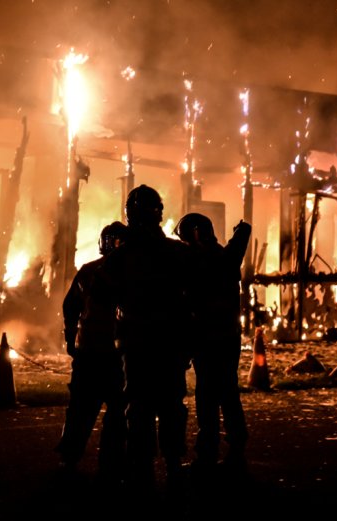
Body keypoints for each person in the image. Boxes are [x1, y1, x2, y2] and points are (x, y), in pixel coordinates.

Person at [91, 185, 193, 495]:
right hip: (170, 341)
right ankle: (174, 465)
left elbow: (103, 289)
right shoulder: (177, 252)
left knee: (140, 407)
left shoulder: (122, 256)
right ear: (159, 213)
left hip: (137, 342)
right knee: (171, 404)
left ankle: (142, 468)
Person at [174, 213, 251, 476]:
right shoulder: (225, 257)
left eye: (186, 239)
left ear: (195, 235)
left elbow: (189, 302)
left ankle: (207, 453)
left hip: (208, 339)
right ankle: (235, 446)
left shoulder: (204, 261)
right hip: (228, 338)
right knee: (228, 392)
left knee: (207, 396)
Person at [55, 221, 129, 484]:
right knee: (118, 411)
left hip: (89, 351)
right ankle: (111, 463)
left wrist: (70, 338)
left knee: (80, 409)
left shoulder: (89, 271)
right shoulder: (133, 273)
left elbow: (70, 307)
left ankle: (69, 458)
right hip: (118, 355)